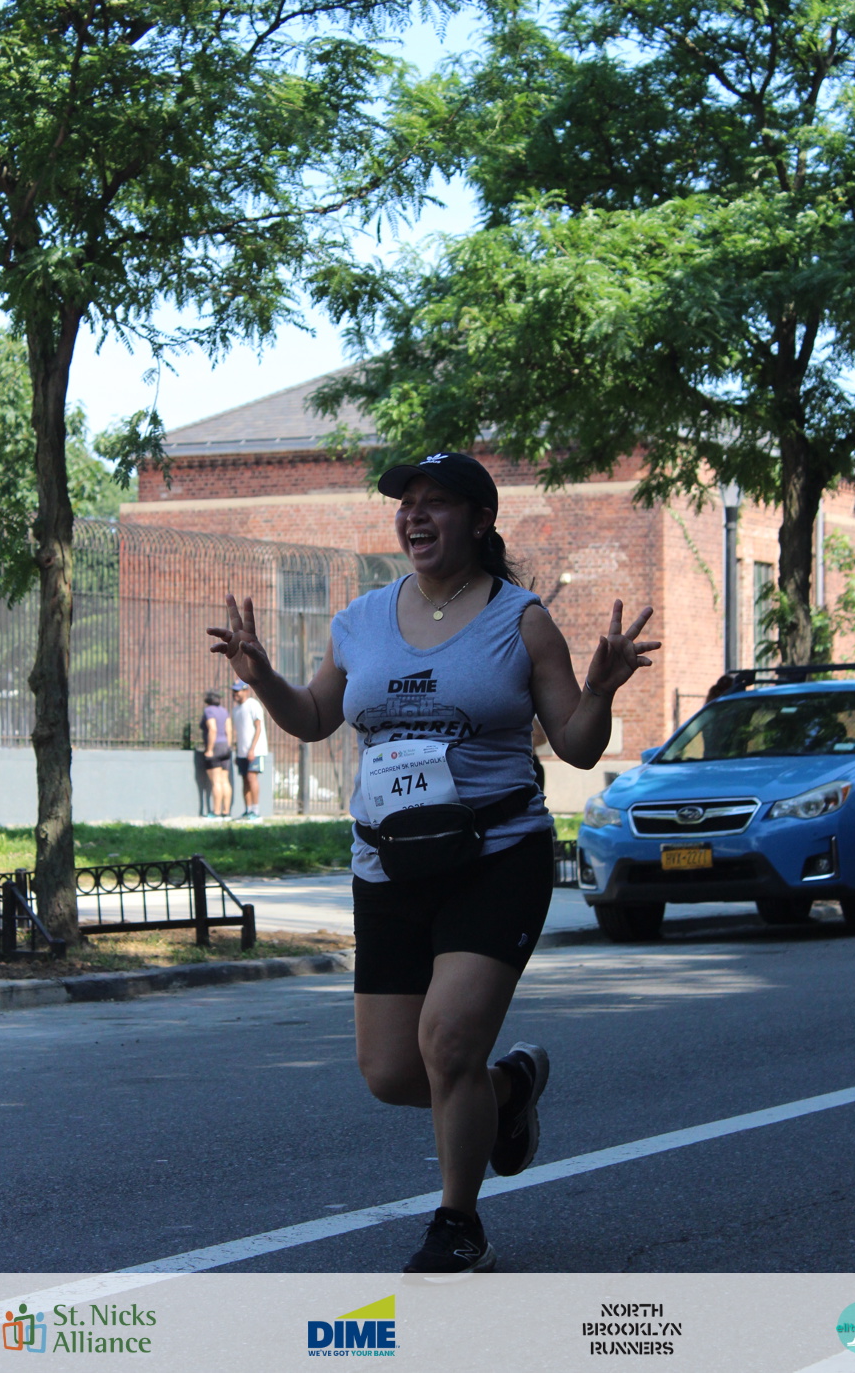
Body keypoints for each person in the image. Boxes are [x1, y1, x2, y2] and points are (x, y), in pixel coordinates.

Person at [207, 451, 659, 1273]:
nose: (415, 515)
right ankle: (509, 1090)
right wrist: (262, 675)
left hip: (497, 855)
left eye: (436, 502)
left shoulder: (520, 620)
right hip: (388, 863)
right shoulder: (360, 620)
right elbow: (312, 717)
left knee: (447, 1044)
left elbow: (577, 746)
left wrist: (600, 690)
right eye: (406, 503)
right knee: (389, 1071)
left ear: (481, 521)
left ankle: (458, 1222)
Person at [230, 679, 268, 819]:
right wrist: (237, 751)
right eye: (233, 691)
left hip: (255, 751)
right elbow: (239, 733)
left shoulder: (253, 704)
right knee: (245, 779)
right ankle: (248, 809)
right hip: (242, 752)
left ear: (246, 691)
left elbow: (258, 727)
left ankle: (256, 811)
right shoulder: (236, 710)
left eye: (237, 691)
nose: (235, 694)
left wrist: (252, 749)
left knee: (252, 777)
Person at [200, 690, 232, 817]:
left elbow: (212, 729)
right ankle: (226, 812)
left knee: (216, 781)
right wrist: (228, 746)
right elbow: (229, 729)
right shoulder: (224, 711)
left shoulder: (209, 711)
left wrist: (209, 749)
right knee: (225, 780)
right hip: (225, 746)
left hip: (215, 746)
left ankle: (216, 812)